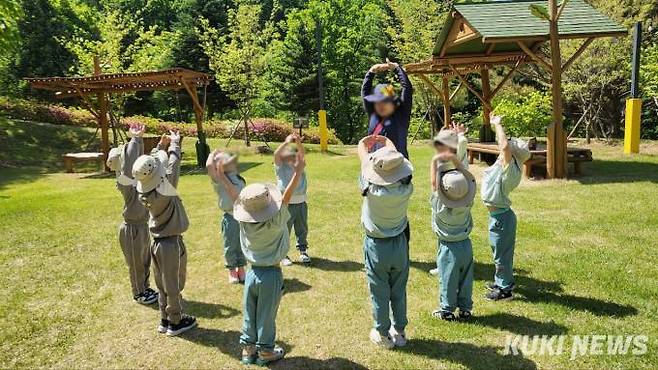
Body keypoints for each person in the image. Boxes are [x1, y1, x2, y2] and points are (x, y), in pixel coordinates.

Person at [221, 155, 305, 366]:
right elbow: (286, 197)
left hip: (251, 273)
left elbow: (234, 196)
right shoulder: (276, 220)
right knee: (266, 315)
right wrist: (298, 172)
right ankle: (266, 352)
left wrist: (222, 177)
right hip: (271, 274)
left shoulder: (242, 221)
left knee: (250, 311)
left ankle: (248, 349)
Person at [132, 131, 197, 337]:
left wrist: (160, 148)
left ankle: (164, 318)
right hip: (170, 243)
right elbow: (173, 167)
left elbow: (154, 168)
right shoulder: (164, 190)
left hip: (157, 243)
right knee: (173, 283)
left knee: (162, 283)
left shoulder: (145, 191)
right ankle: (176, 321)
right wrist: (175, 145)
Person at [357, 135, 413, 349]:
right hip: (399, 244)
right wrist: (388, 142)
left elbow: (363, 158)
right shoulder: (406, 188)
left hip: (376, 246)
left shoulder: (370, 189)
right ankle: (399, 331)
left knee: (379, 291)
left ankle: (382, 333)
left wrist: (367, 142)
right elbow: (396, 161)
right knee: (399, 290)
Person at [106, 123, 158, 305]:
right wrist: (135, 140)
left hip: (142, 226)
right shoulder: (125, 182)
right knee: (136, 264)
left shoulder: (137, 181)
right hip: (131, 230)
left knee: (144, 260)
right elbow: (131, 165)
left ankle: (145, 287)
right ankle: (138, 292)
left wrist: (140, 141)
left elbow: (139, 162)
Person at [480, 114, 531, 301]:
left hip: (501, 219)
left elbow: (504, 146)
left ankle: (505, 290)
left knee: (502, 254)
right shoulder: (505, 163)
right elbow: (503, 147)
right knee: (499, 252)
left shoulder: (510, 166)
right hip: (500, 217)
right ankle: (501, 280)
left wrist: (498, 124)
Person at [429, 152, 477, 321]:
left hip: (448, 247)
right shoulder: (467, 201)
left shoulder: (440, 205)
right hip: (466, 245)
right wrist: (456, 160)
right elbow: (463, 171)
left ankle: (447, 310)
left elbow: (434, 184)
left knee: (447, 278)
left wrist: (436, 160)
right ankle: (465, 309)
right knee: (466, 278)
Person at [429, 122, 470, 276]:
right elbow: (462, 141)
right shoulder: (460, 152)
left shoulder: (442, 161)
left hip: (445, 197)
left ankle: (444, 266)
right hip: (462, 195)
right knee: (457, 234)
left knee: (444, 235)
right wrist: (458, 133)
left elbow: (434, 184)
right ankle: (454, 264)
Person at [206, 150, 248, 283]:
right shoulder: (218, 179)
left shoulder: (236, 176)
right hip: (230, 216)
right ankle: (232, 270)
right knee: (230, 245)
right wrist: (213, 153)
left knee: (242, 243)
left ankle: (241, 268)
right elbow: (208, 165)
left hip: (243, 216)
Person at [361, 58, 413, 158]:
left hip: (398, 169)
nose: (381, 105)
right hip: (375, 168)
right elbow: (365, 92)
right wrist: (371, 72)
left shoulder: (401, 115)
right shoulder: (374, 114)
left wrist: (397, 68)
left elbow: (407, 88)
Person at [273, 134, 310, 266]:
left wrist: (298, 142)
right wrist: (286, 142)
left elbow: (302, 152)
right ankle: (283, 254)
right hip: (285, 203)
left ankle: (303, 251)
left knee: (302, 229)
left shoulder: (299, 165)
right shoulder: (280, 165)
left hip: (301, 203)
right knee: (284, 230)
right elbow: (276, 154)